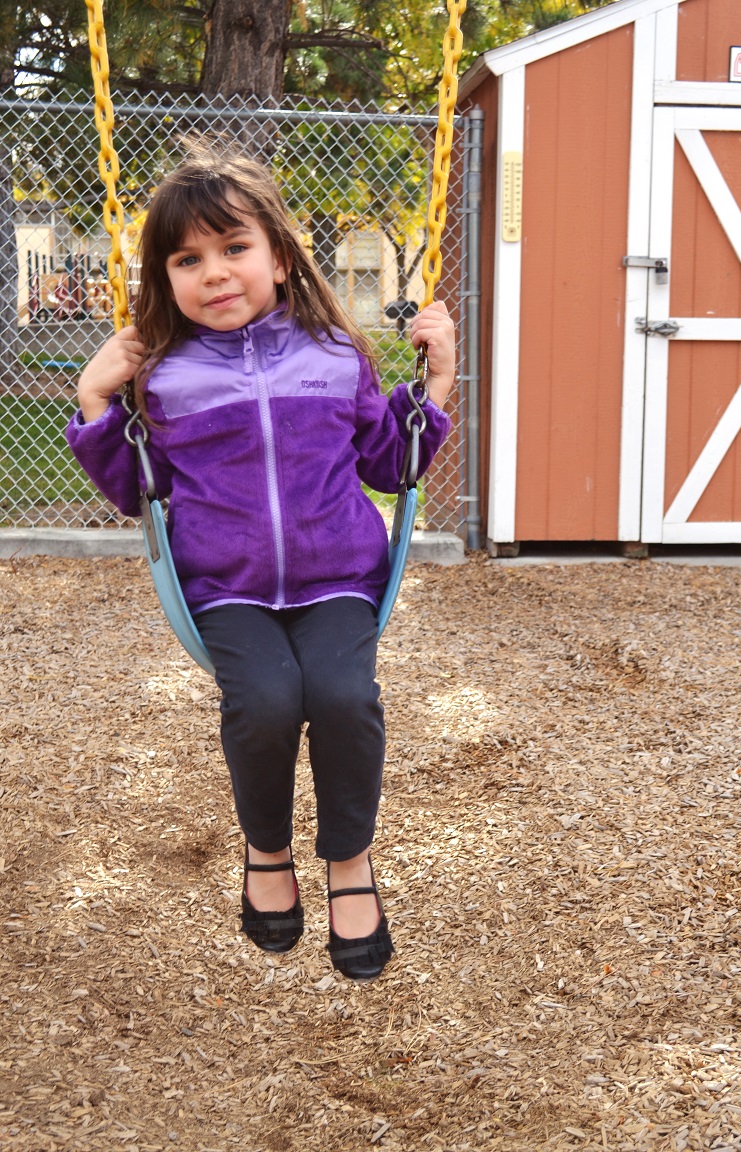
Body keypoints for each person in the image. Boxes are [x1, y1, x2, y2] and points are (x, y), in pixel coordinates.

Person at [66, 139, 455, 983]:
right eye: (188, 259)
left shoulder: (334, 355)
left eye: (234, 248)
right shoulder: (163, 378)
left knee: (346, 696)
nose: (214, 272)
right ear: (166, 280)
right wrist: (100, 398)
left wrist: (440, 378)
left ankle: (349, 862)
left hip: (340, 578)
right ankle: (267, 854)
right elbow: (140, 490)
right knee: (269, 702)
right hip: (228, 589)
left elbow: (391, 462)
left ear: (278, 258)